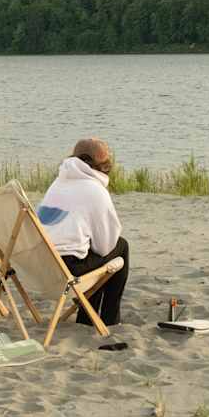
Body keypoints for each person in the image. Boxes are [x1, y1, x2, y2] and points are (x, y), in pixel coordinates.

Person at [36, 138, 130, 326]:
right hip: (67, 269)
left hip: (40, 266)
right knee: (121, 246)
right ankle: (110, 318)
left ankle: (87, 317)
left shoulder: (58, 182)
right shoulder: (94, 190)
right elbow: (105, 246)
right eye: (106, 164)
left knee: (88, 249)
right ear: (95, 165)